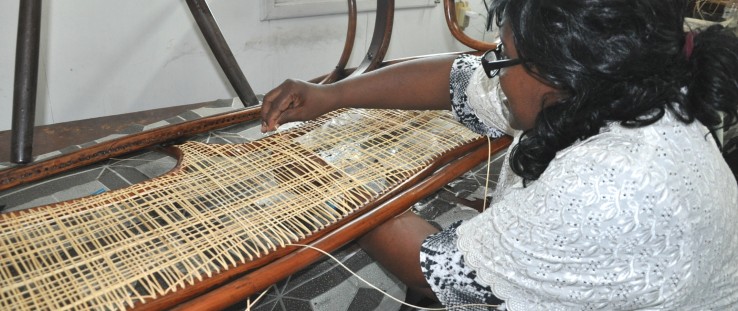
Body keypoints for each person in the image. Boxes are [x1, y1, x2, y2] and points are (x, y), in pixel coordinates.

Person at [260, 0, 738, 309]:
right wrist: (331, 95)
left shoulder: (612, 186)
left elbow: (432, 272)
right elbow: (461, 79)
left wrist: (329, 182)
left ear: (560, 69)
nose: (494, 68)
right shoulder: (620, 85)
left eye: (504, 54)